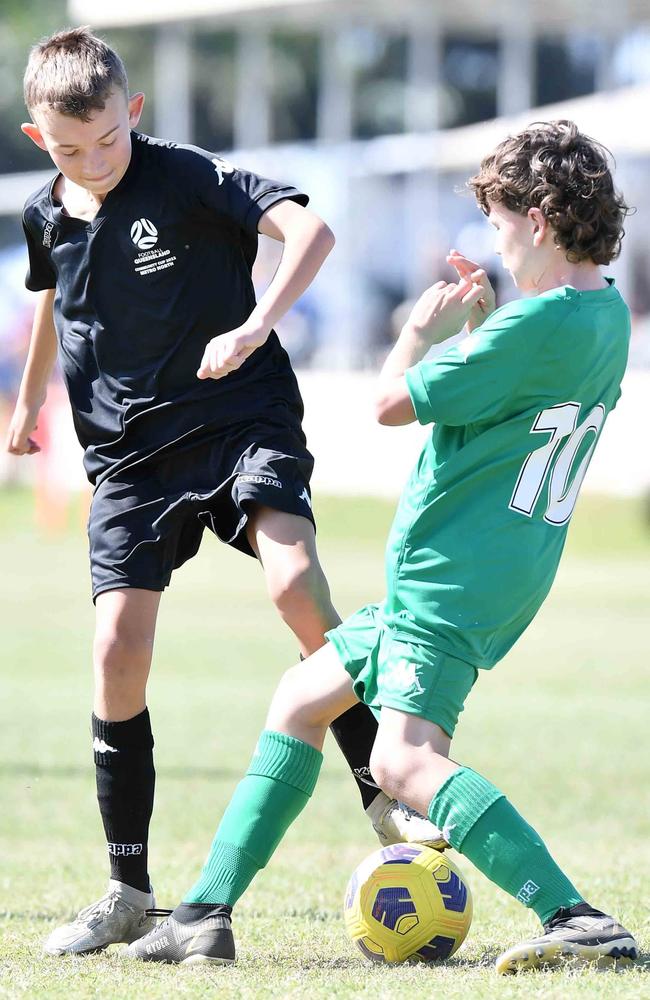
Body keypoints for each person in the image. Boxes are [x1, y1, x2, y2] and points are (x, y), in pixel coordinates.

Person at [125, 120, 638, 974]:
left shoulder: (530, 329)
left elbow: (390, 405)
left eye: (503, 221)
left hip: (451, 578)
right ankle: (204, 915)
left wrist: (424, 333)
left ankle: (577, 915)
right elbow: (521, 389)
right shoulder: (603, 314)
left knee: (401, 760)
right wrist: (485, 332)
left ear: (540, 222)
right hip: (493, 571)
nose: (497, 239)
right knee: (302, 697)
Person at [6, 27, 443, 957]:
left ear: (134, 112)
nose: (93, 163)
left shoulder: (187, 176)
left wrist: (252, 327)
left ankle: (383, 791)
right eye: (70, 150)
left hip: (239, 419)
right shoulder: (51, 210)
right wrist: (25, 404)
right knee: (116, 646)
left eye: (108, 141)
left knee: (295, 586)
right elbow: (49, 295)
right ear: (41, 140)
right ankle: (127, 888)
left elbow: (312, 232)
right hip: (128, 456)